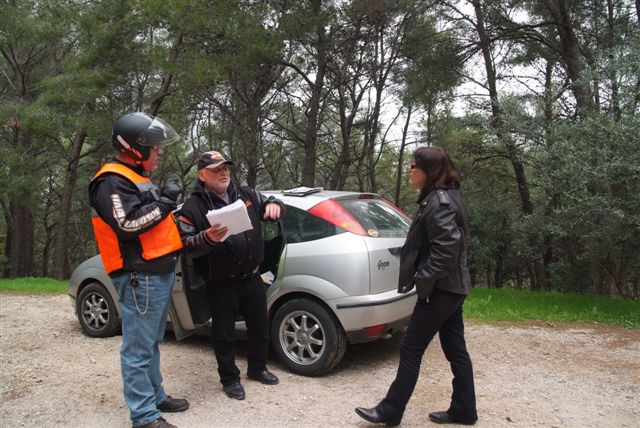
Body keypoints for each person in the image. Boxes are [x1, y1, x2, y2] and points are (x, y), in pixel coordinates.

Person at [355, 146, 478, 426]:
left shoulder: (440, 203)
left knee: (411, 348)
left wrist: (424, 279)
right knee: (456, 349)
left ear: (428, 171)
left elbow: (446, 250)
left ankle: (390, 411)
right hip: (452, 288)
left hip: (441, 290)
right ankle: (464, 409)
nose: (409, 170)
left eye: (413, 165)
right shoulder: (444, 197)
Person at [89, 112, 189, 428]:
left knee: (150, 342)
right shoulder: (110, 180)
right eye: (154, 146)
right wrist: (165, 202)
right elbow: (127, 224)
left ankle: (155, 396)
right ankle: (144, 416)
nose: (159, 151)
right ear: (134, 147)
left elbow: (153, 222)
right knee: (137, 348)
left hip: (154, 272)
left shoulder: (134, 176)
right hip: (138, 275)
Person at [178, 150, 284, 400]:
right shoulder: (193, 207)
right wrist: (206, 238)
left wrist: (275, 205)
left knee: (259, 327)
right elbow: (184, 245)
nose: (224, 173)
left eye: (225, 168)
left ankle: (257, 368)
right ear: (202, 175)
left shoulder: (245, 194)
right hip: (220, 282)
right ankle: (229, 379)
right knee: (223, 335)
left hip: (252, 275)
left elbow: (271, 203)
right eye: (216, 169)